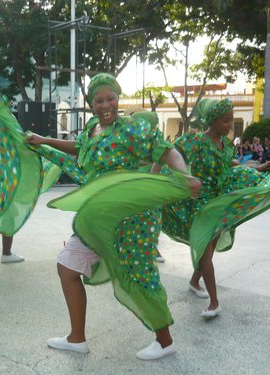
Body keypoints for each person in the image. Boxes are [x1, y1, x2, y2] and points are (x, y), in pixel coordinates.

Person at [27, 73, 200, 360]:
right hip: (99, 215)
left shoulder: (132, 129)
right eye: (99, 100)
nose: (105, 105)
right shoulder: (93, 128)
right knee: (67, 267)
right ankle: (76, 338)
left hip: (134, 217)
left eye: (110, 98)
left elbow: (167, 151)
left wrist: (185, 175)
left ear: (118, 99)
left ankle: (165, 340)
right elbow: (79, 147)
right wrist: (42, 140)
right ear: (91, 104)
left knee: (139, 276)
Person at [159, 98, 269, 319]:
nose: (230, 125)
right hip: (200, 203)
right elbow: (166, 152)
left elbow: (229, 163)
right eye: (226, 120)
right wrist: (160, 178)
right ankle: (214, 302)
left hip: (220, 202)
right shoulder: (195, 140)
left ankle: (193, 282)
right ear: (213, 120)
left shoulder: (225, 144)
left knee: (208, 248)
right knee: (205, 252)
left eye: (231, 120)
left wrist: (260, 168)